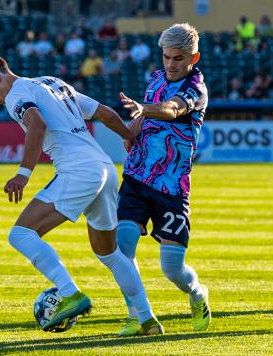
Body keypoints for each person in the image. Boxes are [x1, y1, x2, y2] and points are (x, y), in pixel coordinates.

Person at [0, 54, 163, 335]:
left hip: (78, 170)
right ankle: (147, 319)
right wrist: (127, 135)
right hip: (105, 168)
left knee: (21, 235)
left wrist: (23, 174)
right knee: (109, 253)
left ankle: (70, 292)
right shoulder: (53, 83)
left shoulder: (16, 95)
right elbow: (105, 113)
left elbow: (37, 125)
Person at [116, 23, 211, 336]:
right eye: (167, 57)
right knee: (122, 247)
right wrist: (131, 133)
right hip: (135, 177)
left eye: (178, 58)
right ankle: (136, 315)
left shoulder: (195, 89)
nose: (171, 64)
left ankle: (198, 294)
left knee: (172, 269)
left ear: (193, 58)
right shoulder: (156, 78)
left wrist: (144, 109)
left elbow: (170, 110)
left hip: (171, 186)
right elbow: (144, 118)